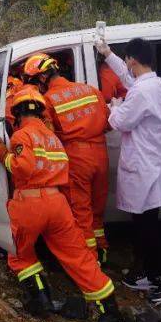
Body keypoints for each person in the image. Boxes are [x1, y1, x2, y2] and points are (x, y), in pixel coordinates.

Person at [0, 85, 123, 322]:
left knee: (19, 252)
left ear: (16, 113)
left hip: (30, 203)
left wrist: (2, 155)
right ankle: (109, 310)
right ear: (41, 111)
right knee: (77, 257)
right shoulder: (54, 138)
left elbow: (24, 168)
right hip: (58, 204)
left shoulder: (21, 136)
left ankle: (41, 299)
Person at [95, 37, 161, 304]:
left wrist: (113, 106)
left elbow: (121, 121)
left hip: (143, 169)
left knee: (148, 229)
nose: (125, 63)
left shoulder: (142, 91)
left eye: (125, 59)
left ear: (132, 59)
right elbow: (129, 81)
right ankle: (151, 272)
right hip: (147, 166)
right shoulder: (154, 83)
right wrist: (108, 54)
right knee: (143, 225)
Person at [21, 52, 111, 264]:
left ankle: (90, 263)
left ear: (42, 78)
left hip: (77, 158)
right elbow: (108, 123)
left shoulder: (49, 101)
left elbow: (46, 135)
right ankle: (103, 250)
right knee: (97, 209)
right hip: (101, 154)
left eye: (35, 82)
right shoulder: (91, 90)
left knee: (81, 213)